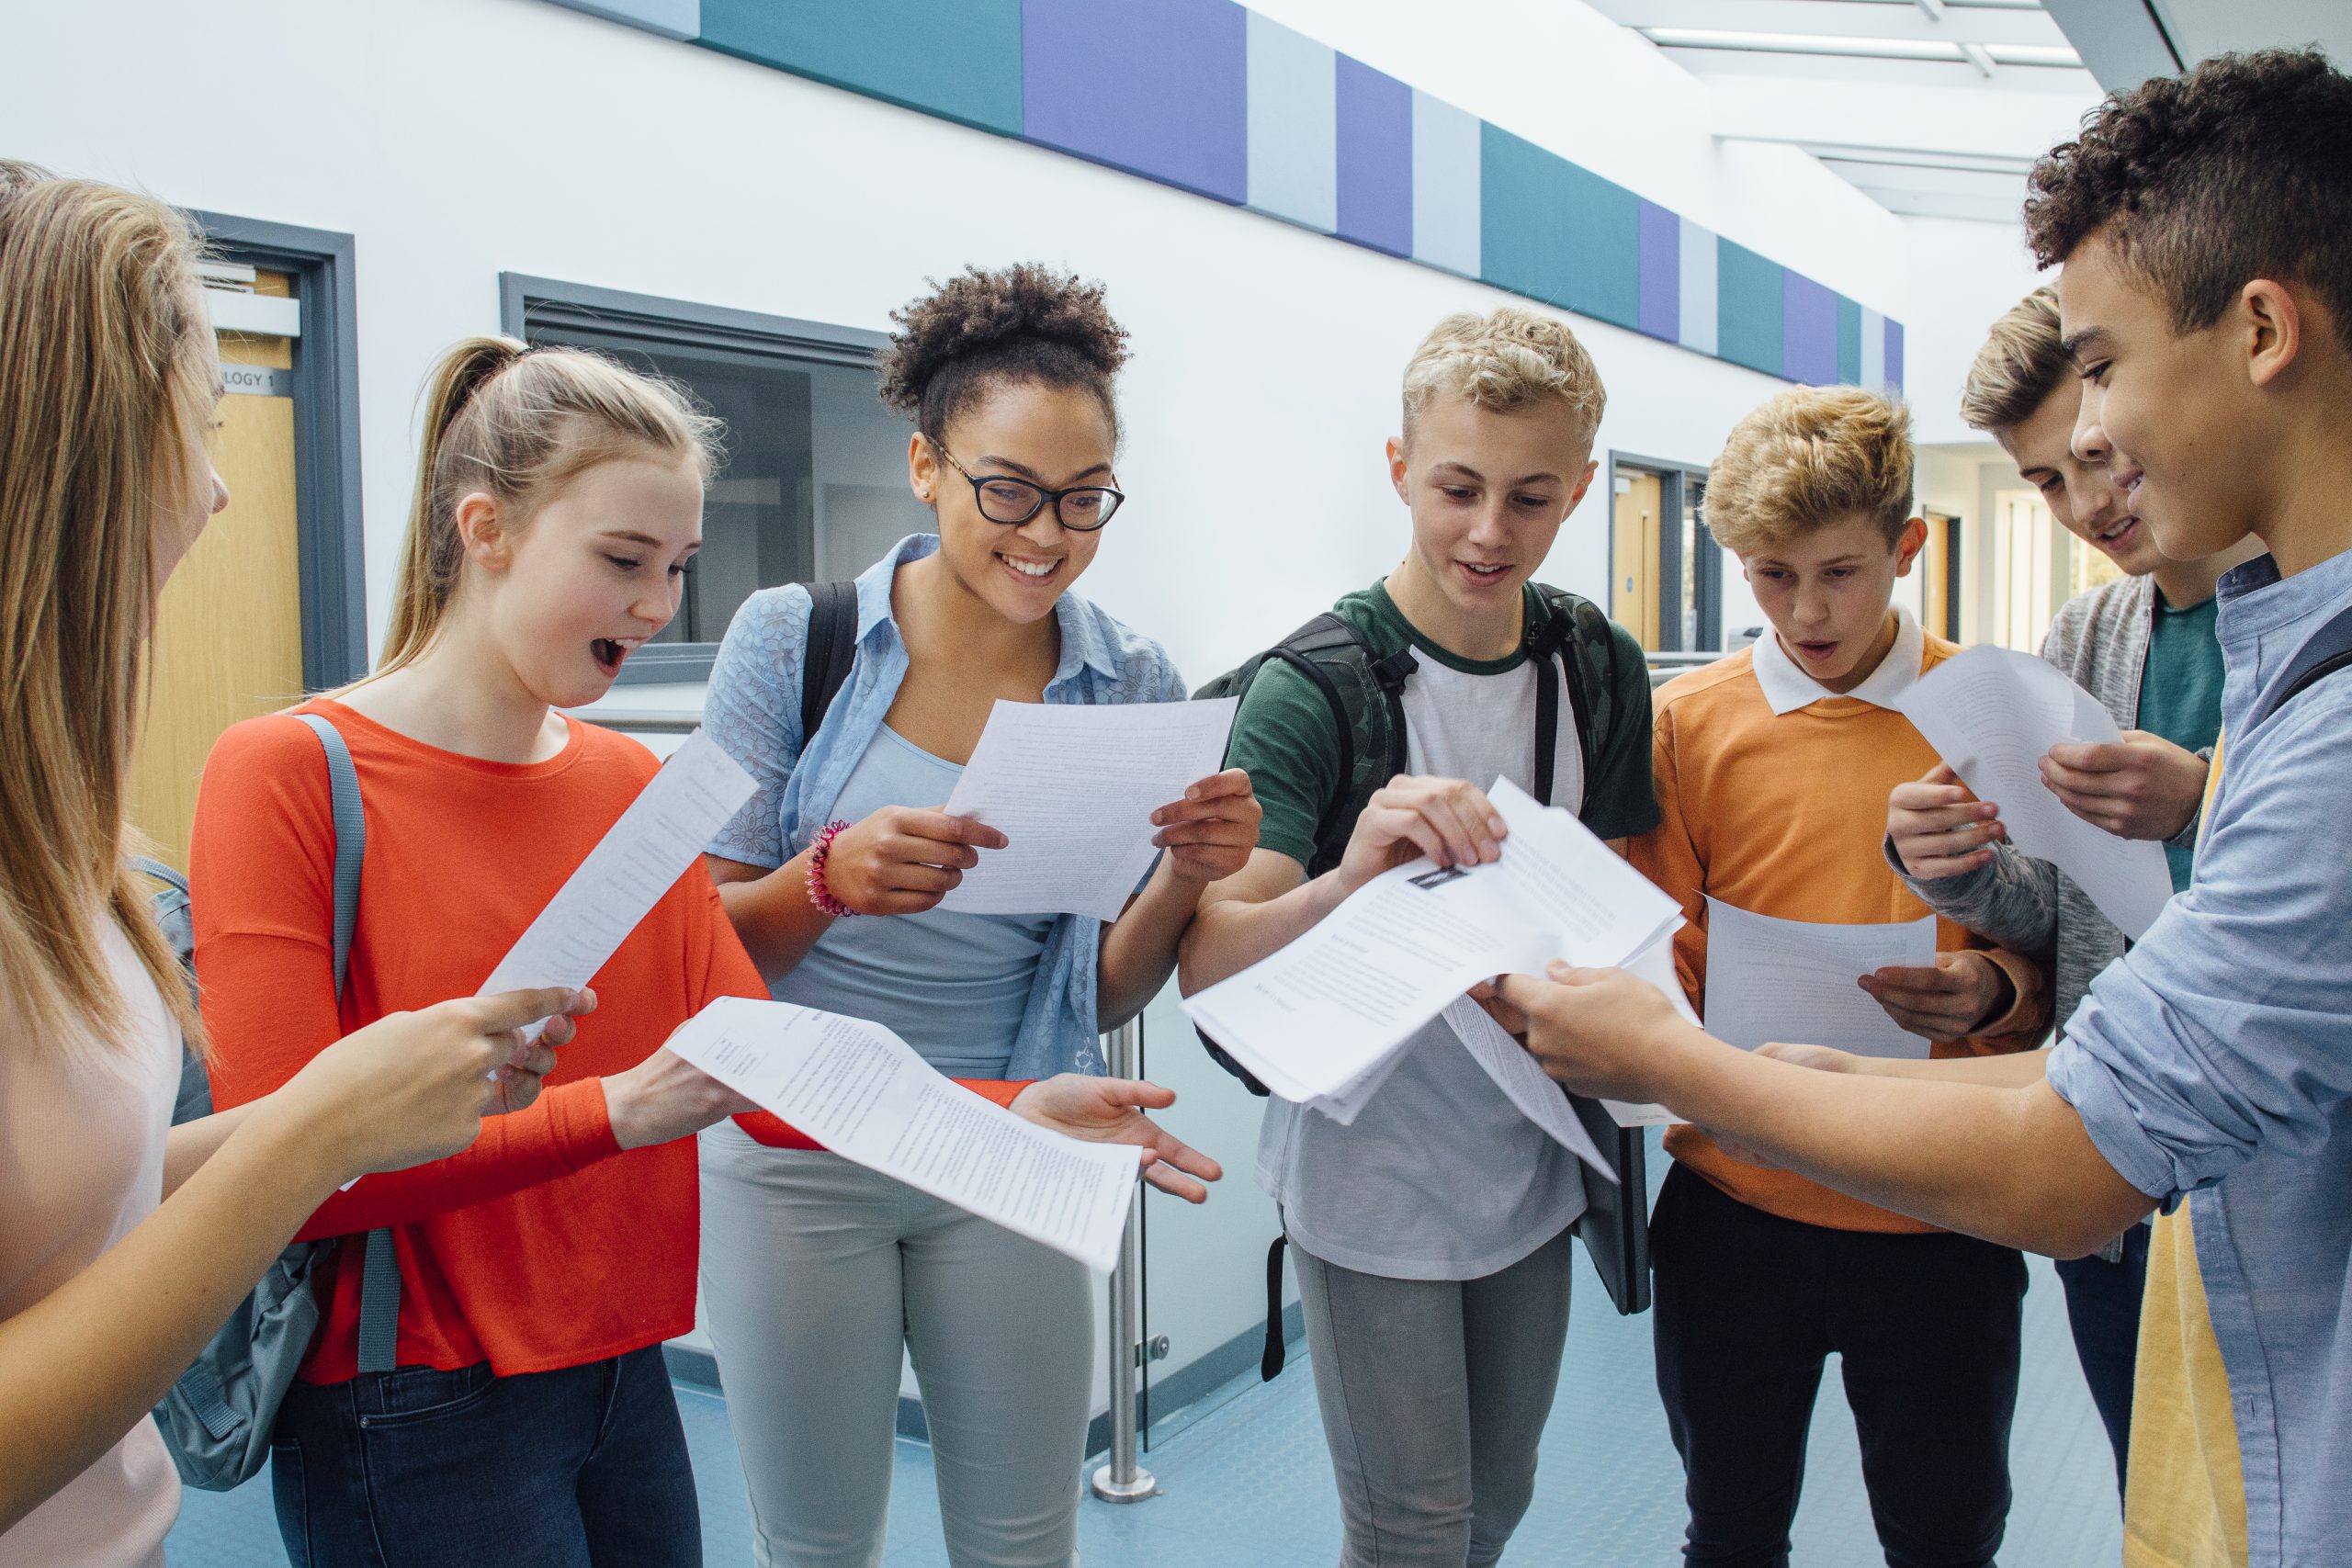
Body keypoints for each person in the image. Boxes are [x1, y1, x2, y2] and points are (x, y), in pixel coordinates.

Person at [1499, 49, 2352, 1568]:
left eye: (2099, 367)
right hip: (1769, 1208)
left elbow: (2078, 1145)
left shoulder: (2293, 723)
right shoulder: (2277, 669)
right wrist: (1797, 1069)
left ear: (2264, 330)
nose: (2097, 454)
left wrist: (1716, 1059)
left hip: (2008, 1240)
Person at [194, 327, 1216, 1568]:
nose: (657, 608)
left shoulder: (633, 782)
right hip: (412, 1387)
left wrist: (1018, 1107)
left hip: (622, 1374)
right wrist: (620, 1109)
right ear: (484, 530)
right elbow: (272, 1172)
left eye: (677, 565)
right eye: (625, 560)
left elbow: (773, 1068)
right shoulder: (291, 772)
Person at [0, 163, 584, 1568]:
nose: (213, 493)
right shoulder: (289, 765)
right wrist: (314, 1133)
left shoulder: (61, 847)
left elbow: (80, 1196)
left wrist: (342, 1108)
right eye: (191, 431)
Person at [696, 263, 1246, 1568]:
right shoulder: (794, 641)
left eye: (1083, 498)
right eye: (1006, 488)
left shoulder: (1132, 678)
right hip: (797, 1157)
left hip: (1016, 1141)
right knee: (818, 1546)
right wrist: (824, 876)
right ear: (926, 467)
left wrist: (1184, 872)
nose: (1045, 534)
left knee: (1021, 1543)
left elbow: (1098, 995)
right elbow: (700, 956)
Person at [1179, 307, 1658, 1568]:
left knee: (1492, 1511)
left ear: (1582, 491)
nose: (1490, 532)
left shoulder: (1595, 666)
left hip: (1532, 1159)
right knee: (1410, 1536)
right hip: (1373, 1175)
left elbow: (1628, 899)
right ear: (1399, 469)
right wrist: (1351, 878)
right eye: (1457, 488)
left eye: (1532, 496)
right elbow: (1215, 965)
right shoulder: (1312, 690)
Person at [1618, 384, 2051, 1568]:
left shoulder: (2000, 710)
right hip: (1738, 1208)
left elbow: (2077, 945)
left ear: (1909, 547)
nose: (1805, 612)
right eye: (1769, 575)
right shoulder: (1685, 726)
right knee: (1733, 1531)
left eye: (1841, 573)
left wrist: (1998, 992)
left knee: (1947, 1538)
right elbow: (1656, 957)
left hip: (1943, 1205)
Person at [1883, 286, 2260, 1490]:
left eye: (2096, 459)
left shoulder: (2308, 610)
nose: (2089, 505)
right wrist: (1956, 867)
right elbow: (2062, 916)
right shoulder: (2090, 636)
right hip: (2121, 1176)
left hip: (2274, 1170)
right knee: (2153, 1503)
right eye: (2046, 482)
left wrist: (2200, 798)